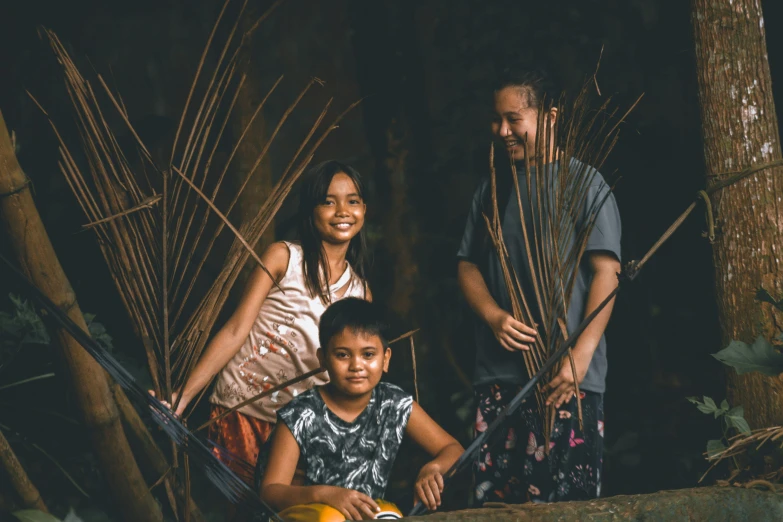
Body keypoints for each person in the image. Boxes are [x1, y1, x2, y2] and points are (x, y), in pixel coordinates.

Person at [456, 68, 621, 504]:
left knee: (567, 505)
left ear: (549, 116)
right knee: (496, 506)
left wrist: (580, 358)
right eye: (497, 120)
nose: (503, 131)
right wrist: (493, 316)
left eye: (514, 119)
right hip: (499, 376)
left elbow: (608, 272)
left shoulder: (585, 184)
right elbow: (467, 266)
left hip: (566, 379)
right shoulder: (493, 188)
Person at [158, 160, 372, 483]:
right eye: (328, 201)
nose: (342, 210)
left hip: (297, 429)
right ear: (311, 212)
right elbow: (234, 330)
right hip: (240, 408)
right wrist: (181, 397)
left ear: (364, 210)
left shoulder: (361, 294)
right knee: (242, 511)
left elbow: (345, 376)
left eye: (352, 201)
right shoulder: (283, 258)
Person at [259, 297, 463, 521]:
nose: (356, 365)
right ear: (323, 359)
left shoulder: (393, 403)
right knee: (330, 518)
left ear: (385, 359)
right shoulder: (301, 414)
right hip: (308, 513)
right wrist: (325, 495)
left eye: (368, 354)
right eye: (342, 355)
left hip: (361, 514)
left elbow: (453, 449)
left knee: (391, 516)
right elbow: (270, 491)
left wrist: (433, 468)